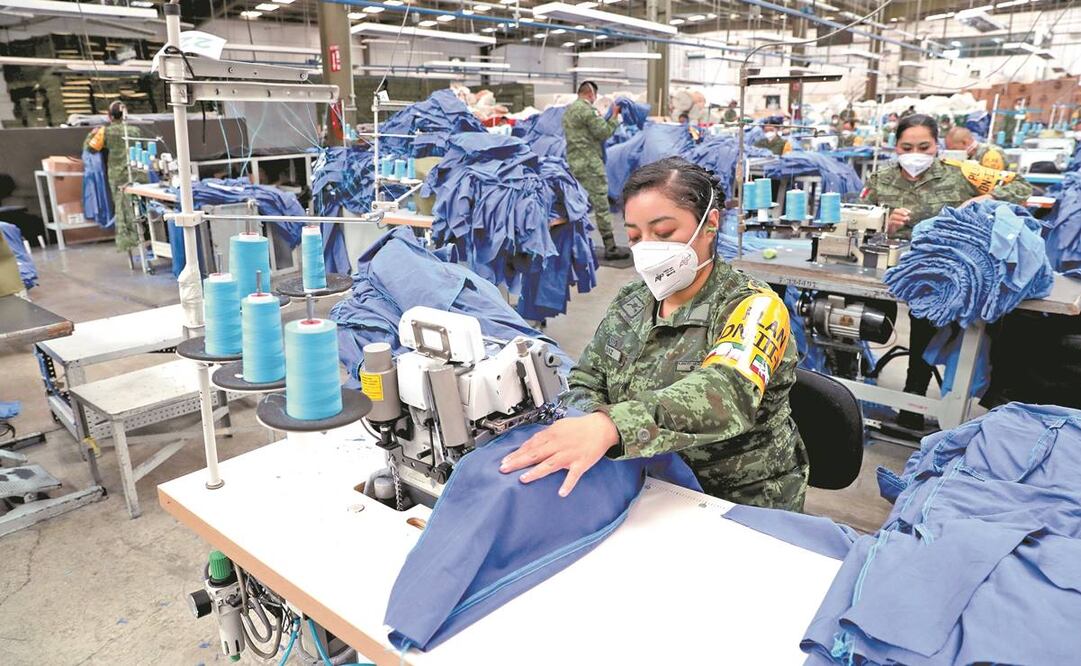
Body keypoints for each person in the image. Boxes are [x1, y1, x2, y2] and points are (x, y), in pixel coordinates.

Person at [499, 157, 808, 510]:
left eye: (663, 234)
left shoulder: (754, 308)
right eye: (634, 236)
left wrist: (611, 427)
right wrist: (582, 425)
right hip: (645, 484)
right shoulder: (634, 302)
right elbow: (586, 377)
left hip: (734, 501)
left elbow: (725, 392)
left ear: (710, 224)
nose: (647, 248)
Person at [860, 114, 1032, 430]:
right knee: (854, 310)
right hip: (890, 266)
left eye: (924, 146)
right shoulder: (880, 179)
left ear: (938, 146)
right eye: (907, 146)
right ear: (895, 147)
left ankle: (914, 397)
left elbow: (1022, 186)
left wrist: (988, 196)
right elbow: (857, 216)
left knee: (926, 314)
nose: (915, 153)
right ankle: (846, 376)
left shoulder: (962, 175)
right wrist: (885, 221)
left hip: (944, 271)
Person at [562, 81, 629, 261]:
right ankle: (610, 247)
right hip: (590, 165)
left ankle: (573, 248)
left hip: (574, 164)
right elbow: (602, 132)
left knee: (577, 206)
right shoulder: (587, 110)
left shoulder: (569, 111)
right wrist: (614, 116)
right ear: (591, 94)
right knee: (601, 206)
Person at [83, 100, 148, 252]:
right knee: (141, 206)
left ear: (109, 116)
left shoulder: (104, 132)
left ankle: (128, 242)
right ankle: (147, 237)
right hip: (138, 174)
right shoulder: (135, 131)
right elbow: (145, 149)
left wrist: (90, 135)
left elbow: (90, 149)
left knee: (122, 209)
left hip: (118, 177)